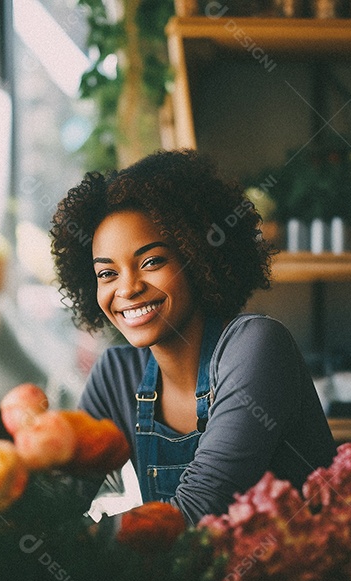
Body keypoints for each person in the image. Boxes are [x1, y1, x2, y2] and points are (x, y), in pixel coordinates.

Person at [51, 149, 336, 524]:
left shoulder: (259, 347)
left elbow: (198, 512)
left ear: (198, 257)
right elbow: (53, 506)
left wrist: (83, 544)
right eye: (107, 274)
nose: (128, 288)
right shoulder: (116, 377)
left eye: (152, 262)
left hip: (294, 578)